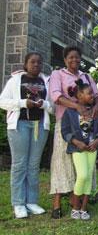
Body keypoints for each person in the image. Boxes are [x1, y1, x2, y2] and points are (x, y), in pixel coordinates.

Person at [49, 46, 98, 219]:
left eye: (78, 58)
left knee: (83, 163)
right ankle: (57, 200)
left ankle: (76, 199)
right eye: (71, 57)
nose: (74, 60)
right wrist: (77, 106)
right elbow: (56, 96)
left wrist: (96, 108)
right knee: (61, 161)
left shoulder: (86, 76)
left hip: (86, 126)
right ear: (65, 59)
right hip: (66, 122)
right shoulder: (58, 75)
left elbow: (97, 95)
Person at [0, 52, 51, 218]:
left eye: (39, 62)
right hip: (19, 126)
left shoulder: (46, 81)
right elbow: (2, 101)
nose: (36, 65)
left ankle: (32, 201)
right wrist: (22, 103)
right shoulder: (15, 80)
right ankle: (19, 203)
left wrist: (44, 104)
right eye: (32, 62)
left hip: (39, 126)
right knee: (20, 164)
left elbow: (54, 107)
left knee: (33, 164)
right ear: (25, 64)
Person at [61, 79, 98, 220]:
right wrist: (75, 142)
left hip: (91, 149)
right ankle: (75, 207)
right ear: (79, 96)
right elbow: (65, 131)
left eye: (92, 93)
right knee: (83, 175)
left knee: (89, 177)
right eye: (89, 93)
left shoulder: (95, 112)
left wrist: (97, 140)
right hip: (78, 149)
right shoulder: (70, 112)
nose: (93, 96)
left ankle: (84, 208)